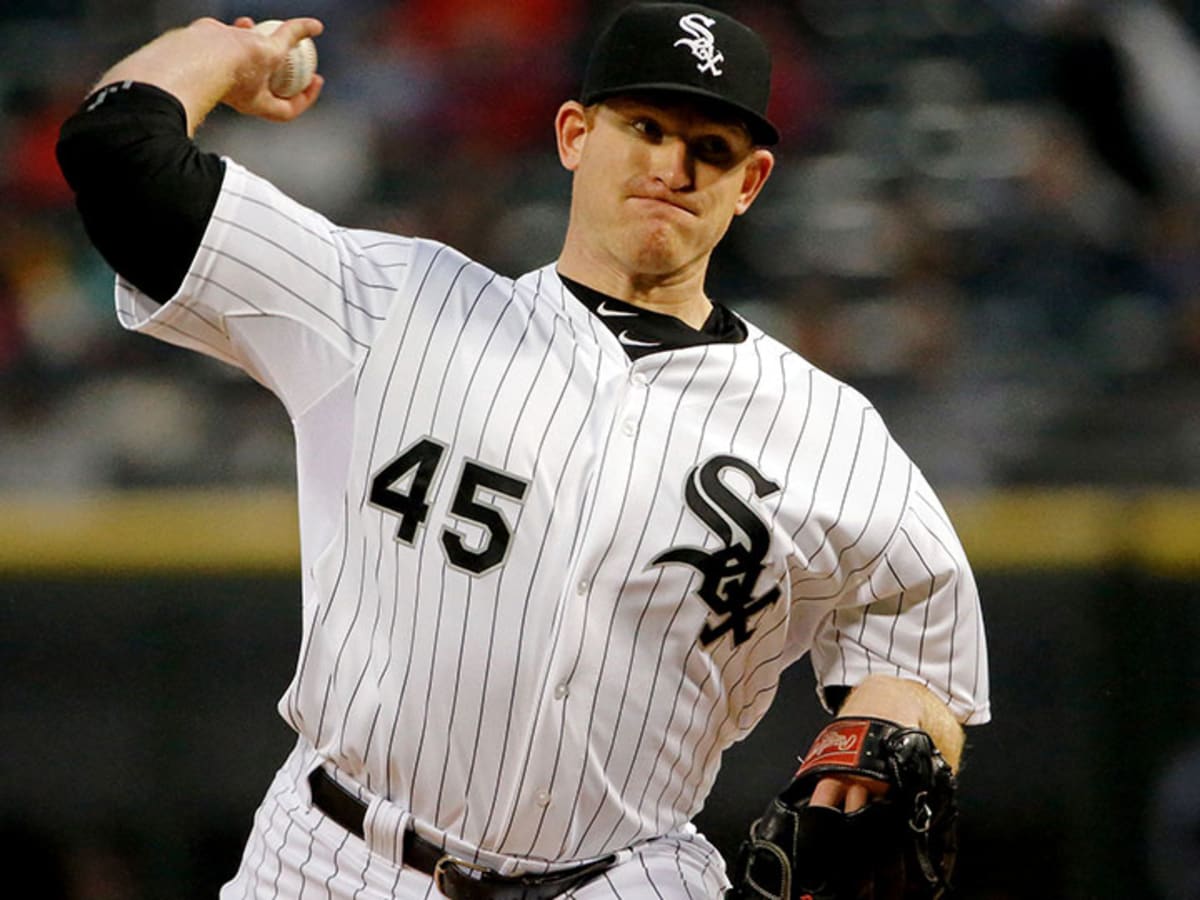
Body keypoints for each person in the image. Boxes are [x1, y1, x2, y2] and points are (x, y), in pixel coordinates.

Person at [56, 4, 990, 898]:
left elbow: (919, 644)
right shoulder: (391, 305)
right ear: (575, 135)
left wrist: (888, 732)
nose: (675, 164)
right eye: (647, 127)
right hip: (334, 858)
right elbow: (117, 154)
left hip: (627, 878)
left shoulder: (828, 431)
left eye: (712, 149)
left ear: (749, 184)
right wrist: (215, 49)